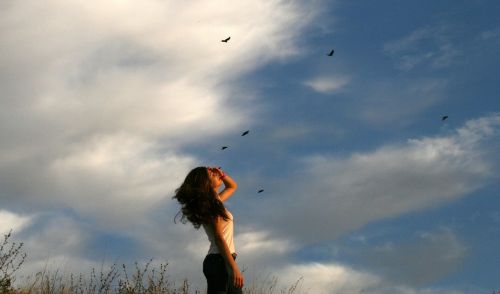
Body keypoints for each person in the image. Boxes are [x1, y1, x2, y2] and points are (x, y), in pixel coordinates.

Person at [173, 166, 244, 293]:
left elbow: (232, 186)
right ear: (205, 183)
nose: (215, 174)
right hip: (219, 261)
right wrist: (234, 268)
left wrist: (222, 175)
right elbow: (218, 237)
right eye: (211, 174)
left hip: (221, 260)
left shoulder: (214, 201)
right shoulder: (210, 206)